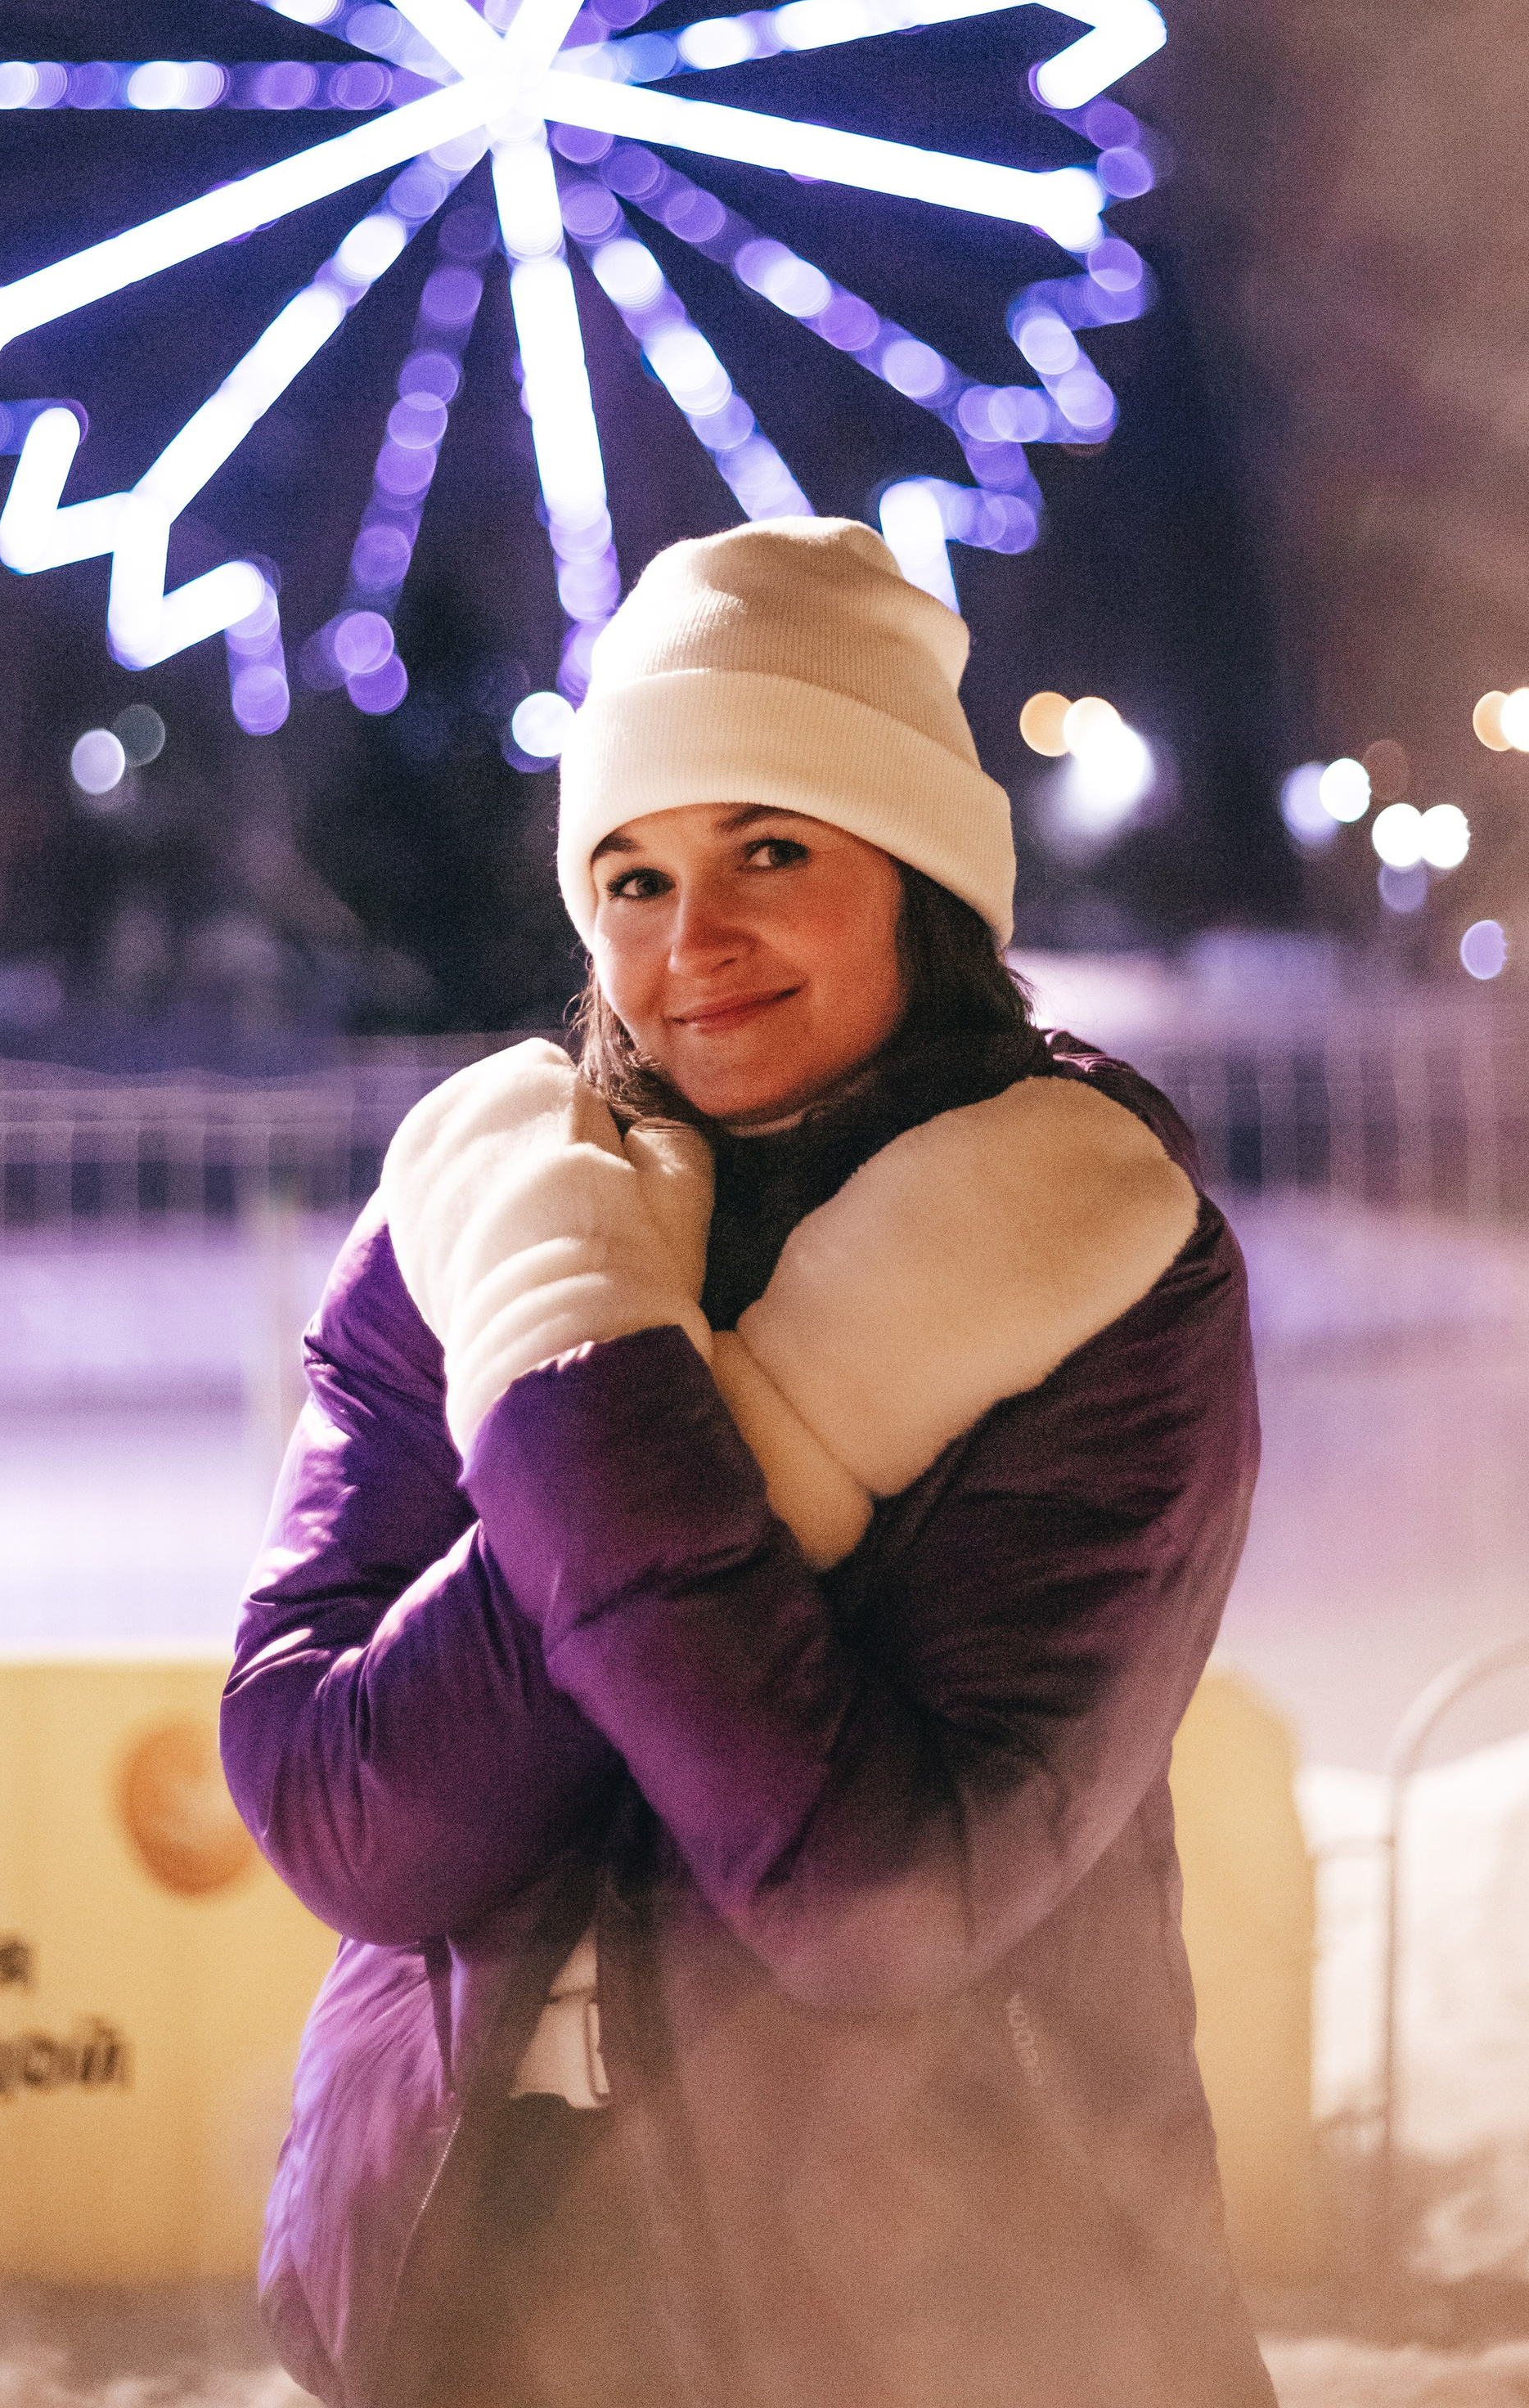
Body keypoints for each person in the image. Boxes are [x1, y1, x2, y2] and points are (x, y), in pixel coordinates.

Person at [223, 518, 1272, 2408]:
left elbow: (878, 1895)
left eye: (768, 849)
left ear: (922, 879)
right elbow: (340, 1814)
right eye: (628, 875)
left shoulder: (1095, 1255)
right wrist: (566, 1316)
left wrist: (578, 1398)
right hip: (465, 2263)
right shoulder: (484, 1212)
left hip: (951, 2299)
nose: (686, 942)